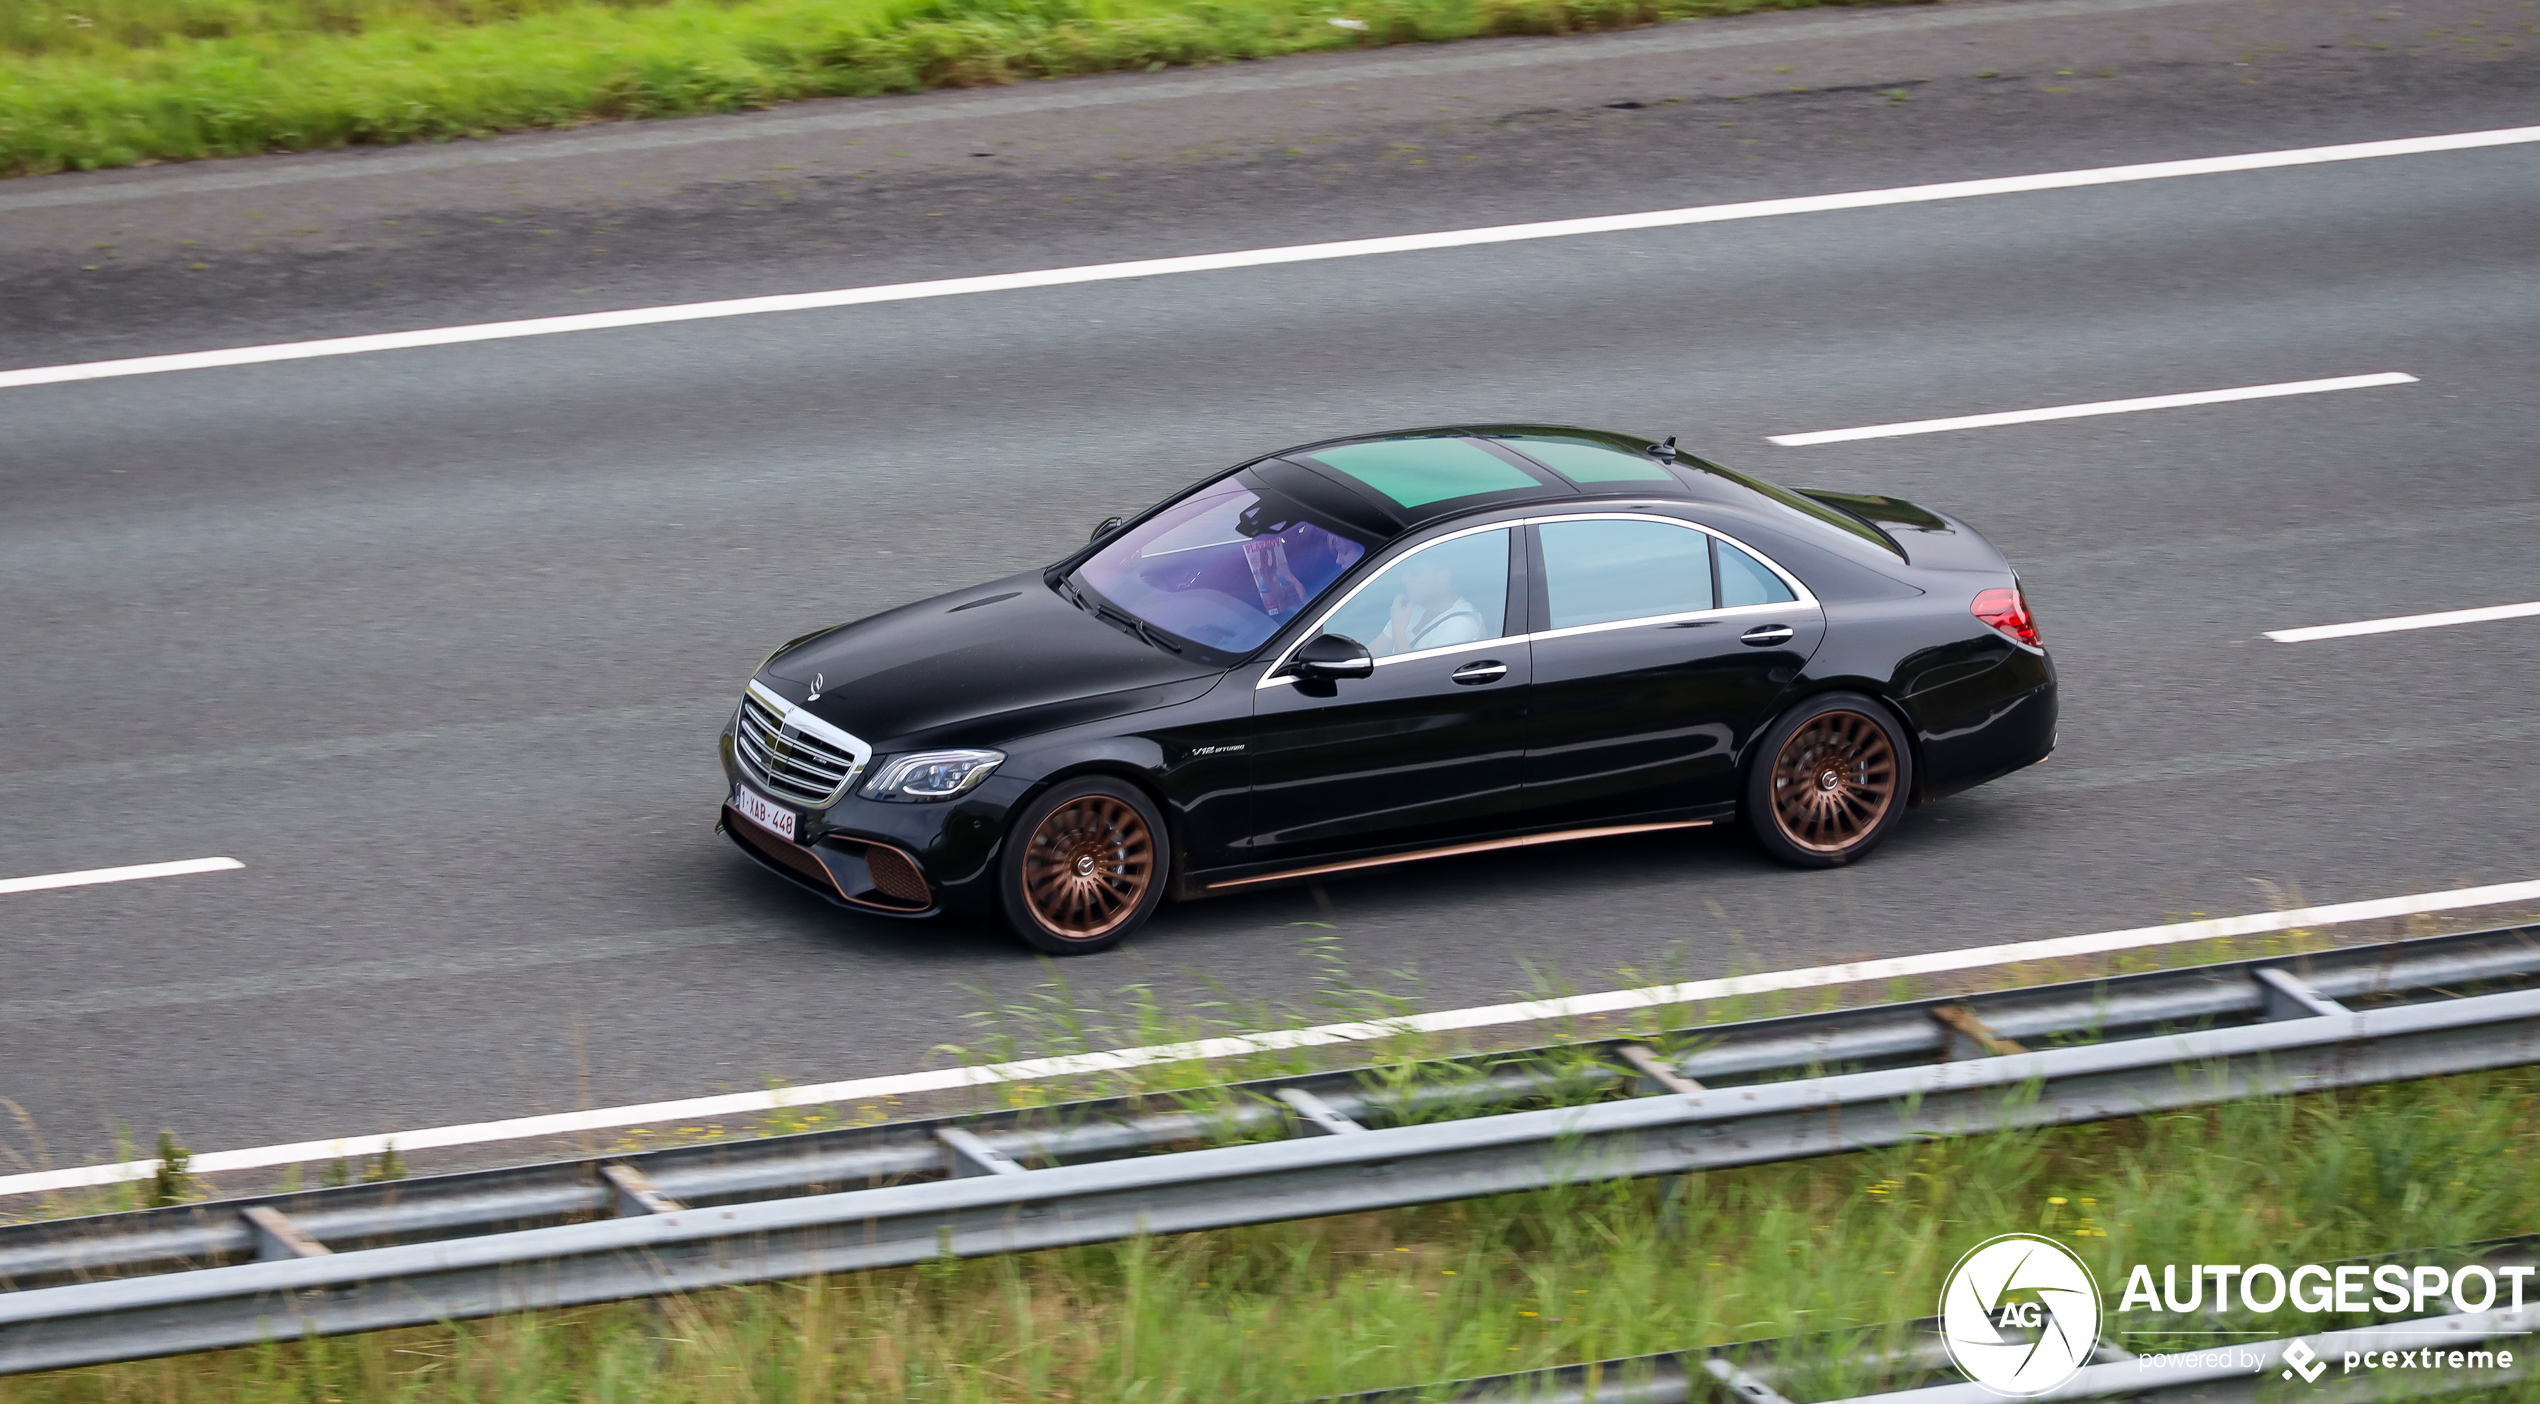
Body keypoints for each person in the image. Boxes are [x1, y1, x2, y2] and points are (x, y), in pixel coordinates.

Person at [1369, 556, 1486, 657]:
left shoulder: (1460, 625)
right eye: (1405, 572)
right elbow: (1368, 655)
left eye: (1414, 572)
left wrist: (1398, 629)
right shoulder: (1413, 611)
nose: (1404, 578)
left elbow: (1411, 676)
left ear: (1443, 576)